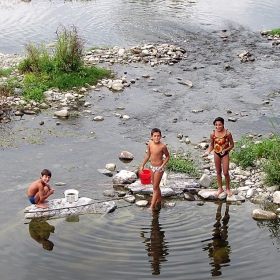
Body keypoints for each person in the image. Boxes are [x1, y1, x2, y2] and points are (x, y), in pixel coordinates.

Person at [203, 117, 234, 197]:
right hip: (216, 153)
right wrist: (208, 152)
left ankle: (228, 188)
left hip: (225, 154)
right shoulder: (213, 134)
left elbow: (232, 145)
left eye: (219, 125)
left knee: (226, 172)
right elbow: (212, 145)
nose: (218, 127)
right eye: (216, 125)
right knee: (218, 171)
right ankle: (220, 188)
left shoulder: (228, 133)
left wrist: (226, 149)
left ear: (223, 124)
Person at [140, 128, 170, 210]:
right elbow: (148, 155)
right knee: (155, 185)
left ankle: (152, 206)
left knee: (155, 187)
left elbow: (168, 156)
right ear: (151, 137)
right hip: (152, 167)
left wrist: (163, 165)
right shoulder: (150, 144)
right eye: (155, 136)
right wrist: (143, 165)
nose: (156, 138)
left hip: (159, 168)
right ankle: (159, 200)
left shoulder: (162, 146)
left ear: (161, 137)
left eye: (158, 136)